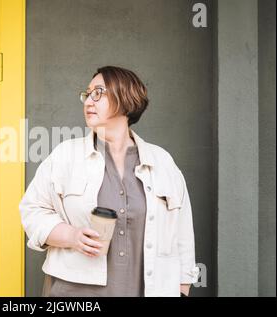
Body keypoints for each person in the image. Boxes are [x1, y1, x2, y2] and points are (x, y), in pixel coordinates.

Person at [19, 66, 199, 297]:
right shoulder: (65, 155)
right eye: (87, 94)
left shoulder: (162, 162)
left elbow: (182, 232)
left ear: (126, 98)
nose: (88, 102)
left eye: (98, 93)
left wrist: (183, 290)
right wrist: (71, 236)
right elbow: (32, 210)